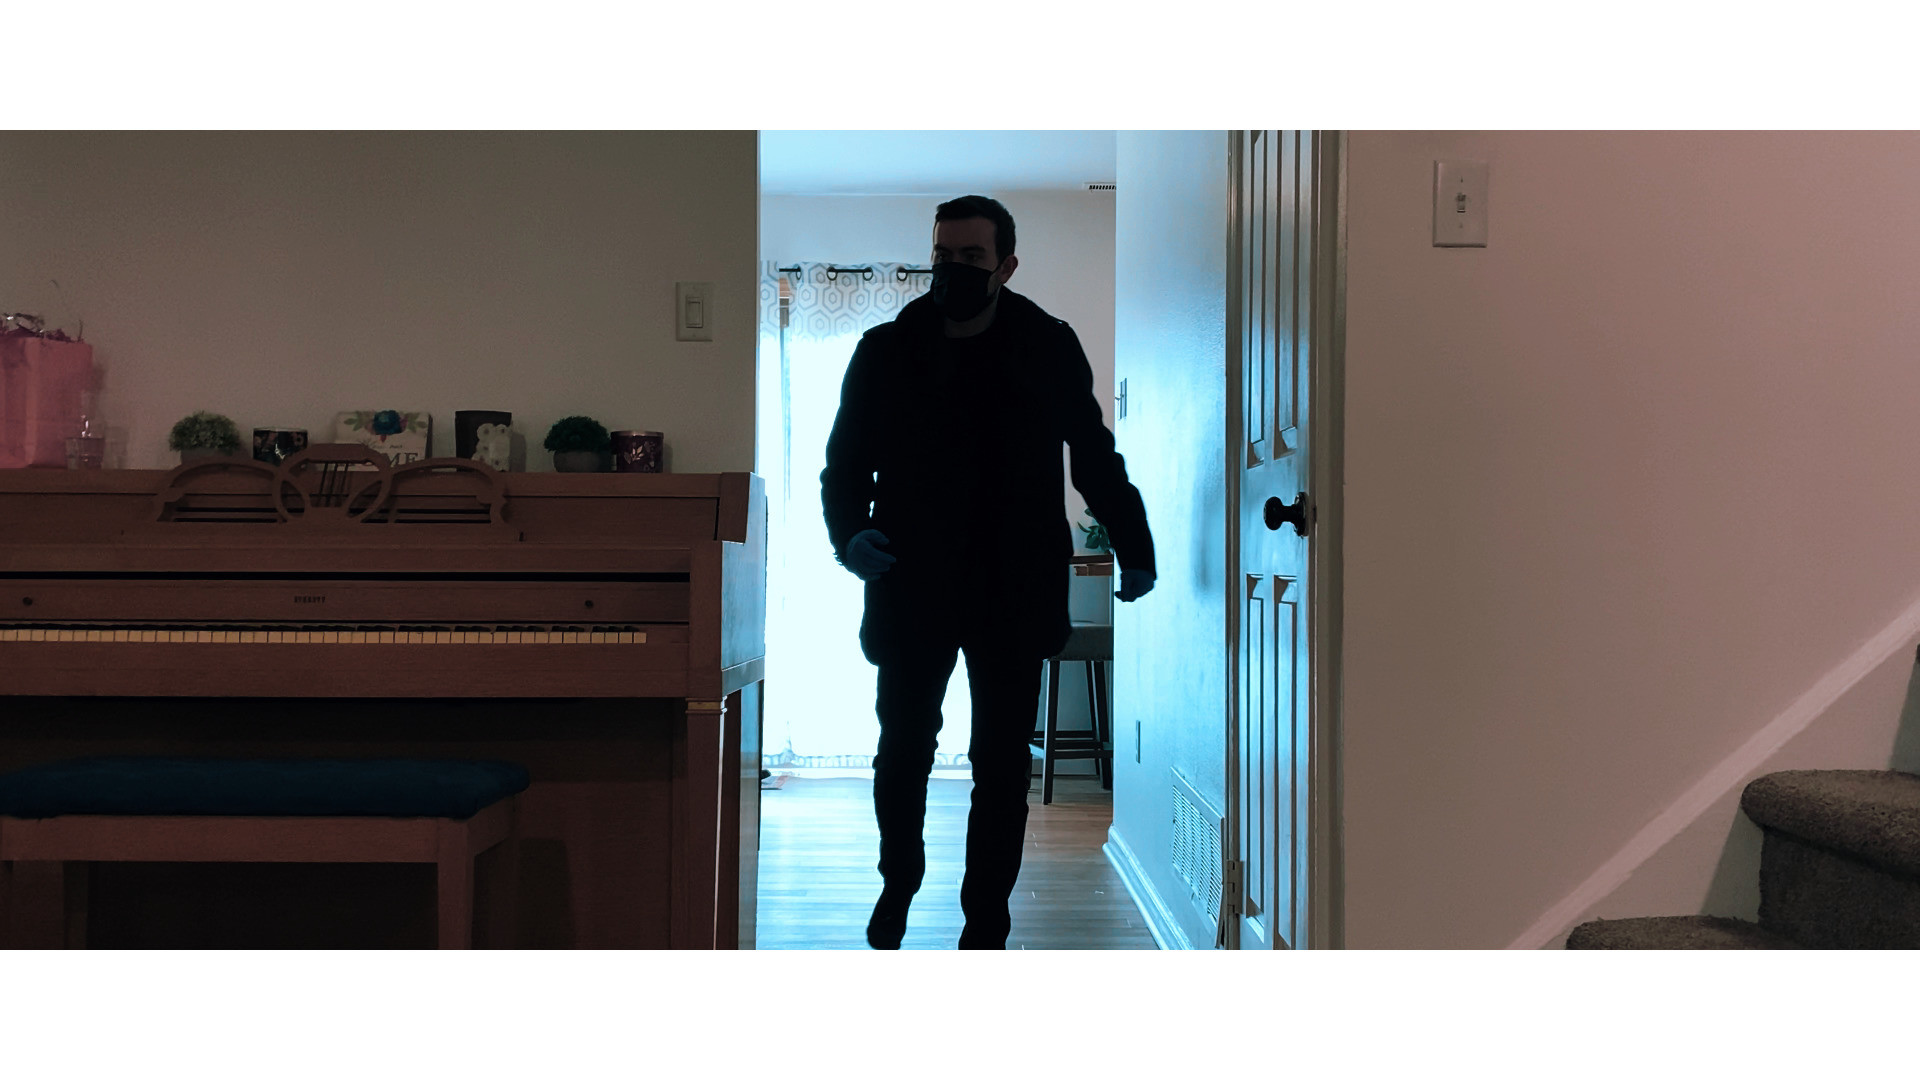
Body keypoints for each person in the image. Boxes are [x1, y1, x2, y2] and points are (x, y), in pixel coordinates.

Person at [820, 194, 1157, 949]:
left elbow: (1093, 455)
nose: (952, 270)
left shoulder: (1047, 345)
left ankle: (986, 922)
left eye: (971, 258)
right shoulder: (885, 350)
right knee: (902, 750)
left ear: (1006, 265)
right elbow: (844, 463)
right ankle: (899, 879)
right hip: (911, 580)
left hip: (1014, 584)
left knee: (1001, 764)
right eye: (942, 256)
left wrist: (1134, 545)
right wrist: (849, 534)